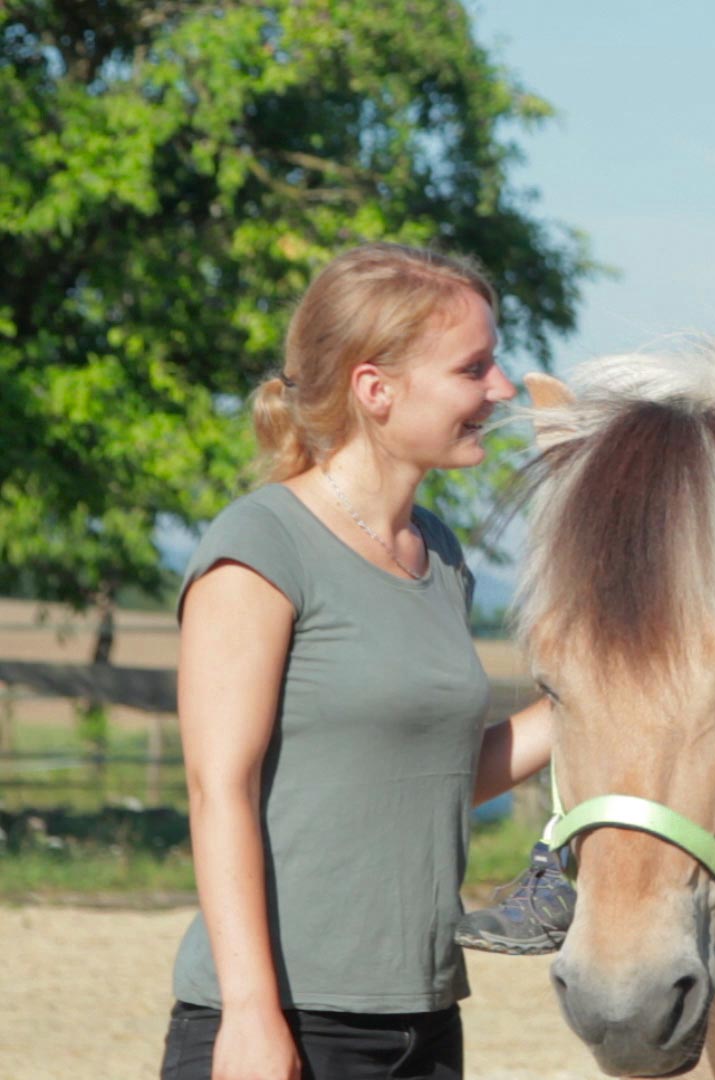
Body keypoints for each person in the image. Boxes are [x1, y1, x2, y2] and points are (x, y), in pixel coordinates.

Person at [161, 243, 555, 1080]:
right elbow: (217, 789)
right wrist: (251, 1013)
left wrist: (584, 703)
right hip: (290, 1022)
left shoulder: (441, 555)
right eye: (474, 367)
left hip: (424, 1018)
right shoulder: (262, 544)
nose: (503, 388)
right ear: (376, 390)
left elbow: (438, 772)